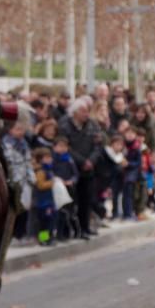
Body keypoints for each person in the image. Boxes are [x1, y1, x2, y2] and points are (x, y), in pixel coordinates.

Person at [59, 97, 103, 239]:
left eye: (87, 111)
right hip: (71, 168)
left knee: (86, 200)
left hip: (89, 169)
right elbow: (66, 146)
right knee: (70, 202)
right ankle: (69, 230)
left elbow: (98, 145)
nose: (86, 114)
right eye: (83, 111)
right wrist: (82, 161)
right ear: (75, 112)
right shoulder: (65, 125)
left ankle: (85, 227)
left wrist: (91, 160)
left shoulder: (93, 125)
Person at [3, 121, 34, 242]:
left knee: (25, 208)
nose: (21, 132)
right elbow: (9, 162)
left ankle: (22, 233)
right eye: (18, 129)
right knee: (15, 209)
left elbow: (28, 160)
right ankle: (13, 234)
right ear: (10, 130)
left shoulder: (24, 143)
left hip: (25, 180)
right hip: (14, 180)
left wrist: (31, 176)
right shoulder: (7, 144)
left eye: (22, 129)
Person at [52, 137, 79, 240]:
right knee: (46, 220)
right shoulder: (52, 161)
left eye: (64, 146)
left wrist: (70, 181)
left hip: (66, 191)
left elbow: (75, 174)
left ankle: (64, 234)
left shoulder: (69, 160)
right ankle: (43, 239)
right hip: (50, 194)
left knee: (66, 214)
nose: (62, 148)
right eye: (59, 146)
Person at [31, 148, 57, 246]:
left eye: (50, 157)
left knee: (50, 220)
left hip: (49, 200)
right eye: (46, 157)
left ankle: (49, 238)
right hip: (43, 202)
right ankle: (44, 239)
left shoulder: (49, 169)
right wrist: (52, 182)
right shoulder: (41, 171)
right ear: (40, 159)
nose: (50, 159)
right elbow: (40, 185)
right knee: (44, 222)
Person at [122, 127, 142, 220]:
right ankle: (121, 212)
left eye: (132, 133)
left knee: (129, 194)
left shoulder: (137, 147)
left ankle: (128, 213)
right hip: (121, 172)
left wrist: (128, 164)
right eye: (128, 133)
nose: (129, 135)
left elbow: (138, 162)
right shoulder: (121, 145)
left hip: (131, 173)